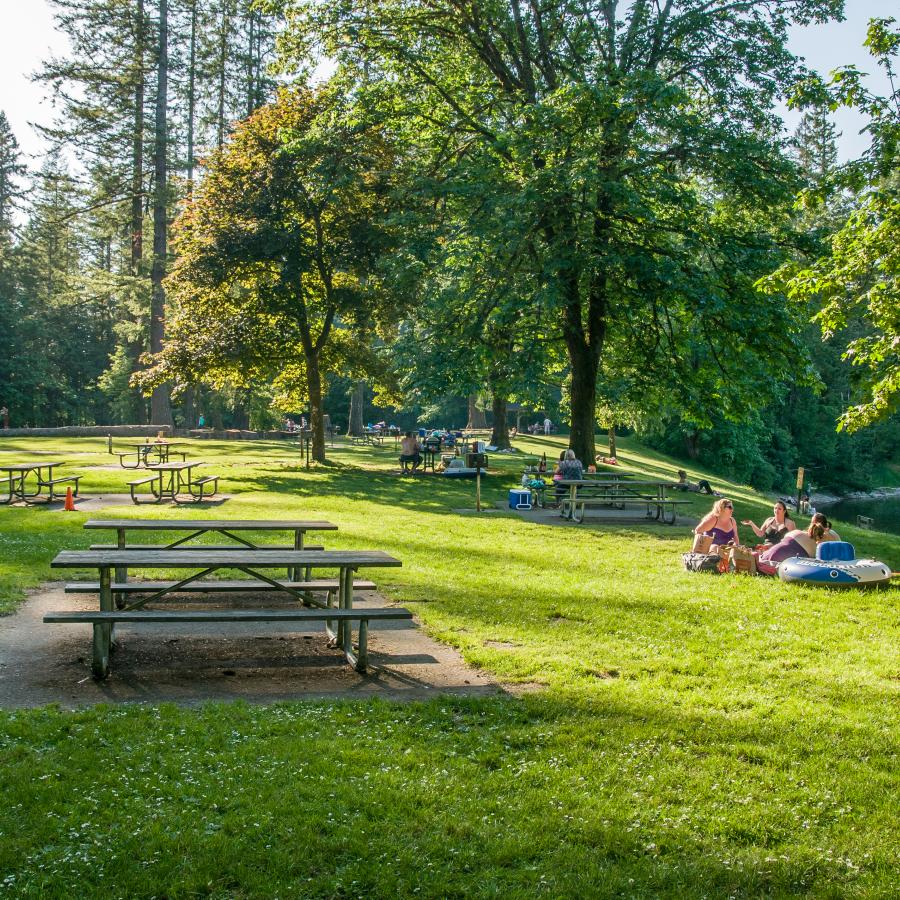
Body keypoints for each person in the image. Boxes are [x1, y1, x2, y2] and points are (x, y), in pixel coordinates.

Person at [756, 514, 838, 576]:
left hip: (773, 553)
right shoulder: (830, 536)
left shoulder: (800, 533)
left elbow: (783, 544)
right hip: (785, 556)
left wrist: (769, 547)